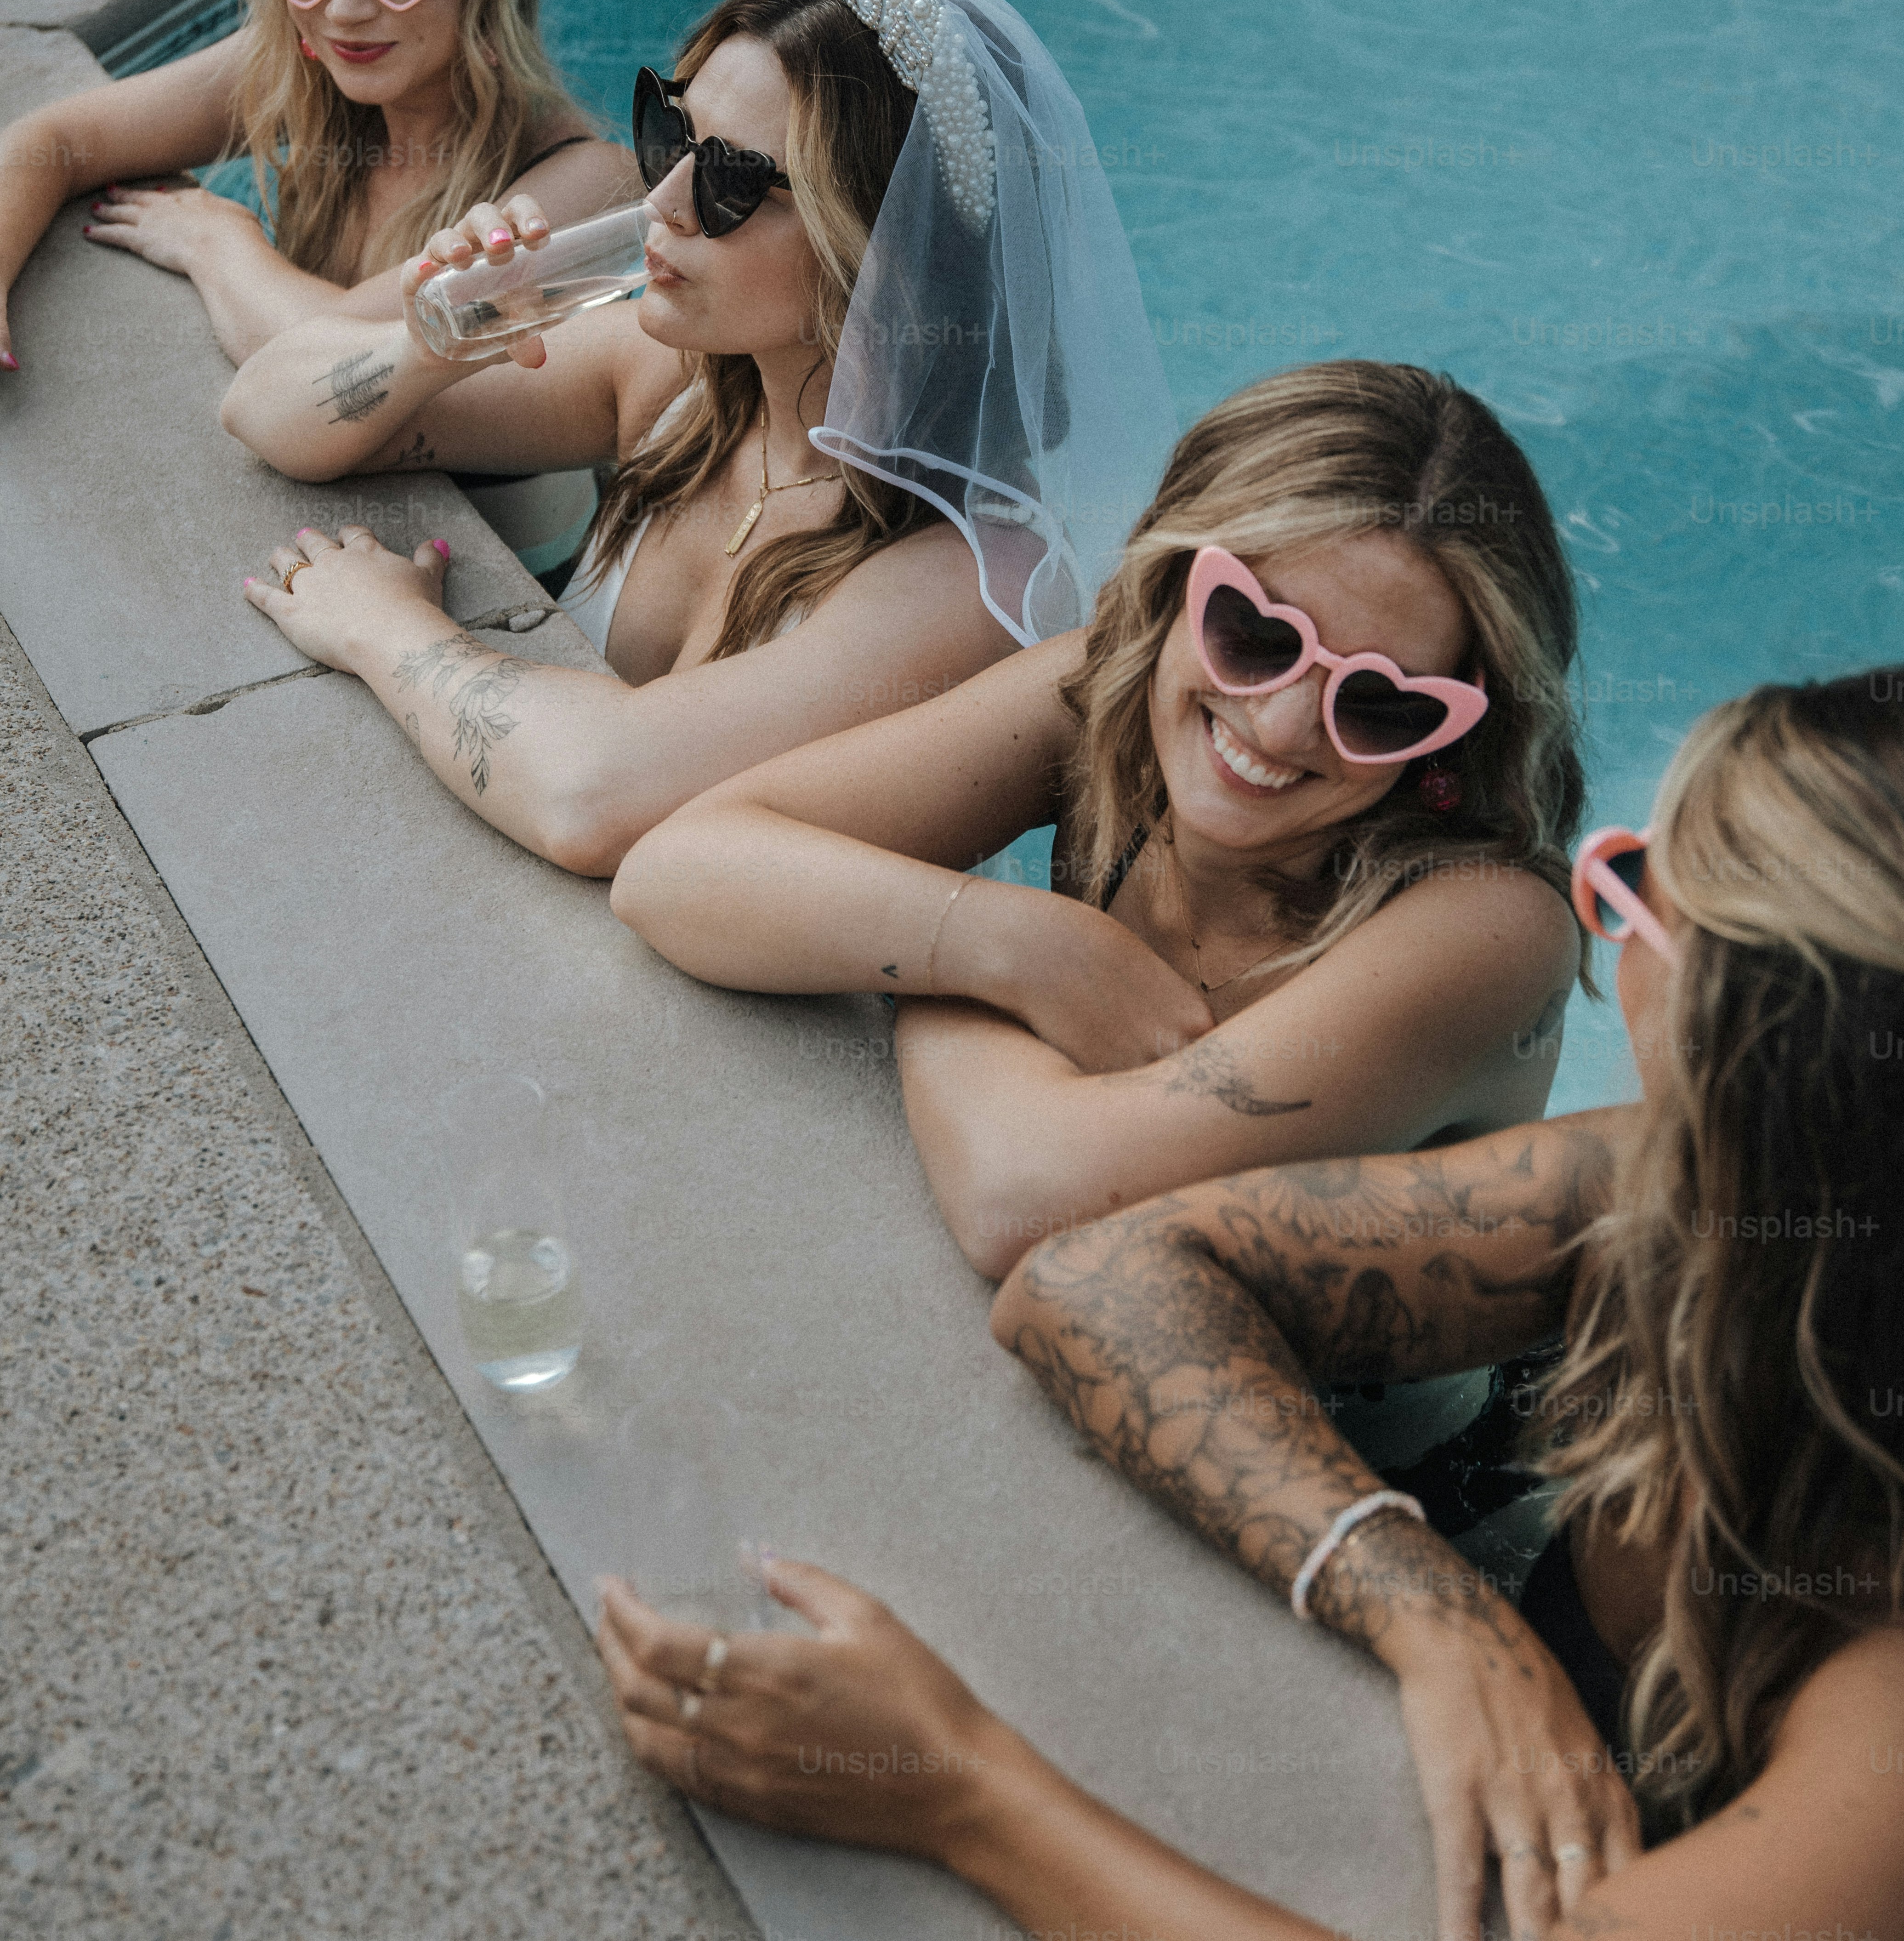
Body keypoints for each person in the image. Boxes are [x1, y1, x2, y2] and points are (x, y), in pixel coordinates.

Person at [595, 667, 1904, 1941]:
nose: (1604, 918)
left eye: (1637, 885)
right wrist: (1429, 1610)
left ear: (1765, 1033)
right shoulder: (1672, 1197)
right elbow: (1097, 1280)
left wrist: (959, 1789)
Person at [616, 362, 1587, 1321]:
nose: (1283, 723)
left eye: (1381, 703)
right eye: (1255, 633)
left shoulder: (1490, 929)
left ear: (1454, 732)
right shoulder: (1109, 702)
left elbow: (1022, 1197)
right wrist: (1019, 945)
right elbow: (674, 867)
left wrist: (932, 956)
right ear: (1171, 580)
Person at [220, 0, 1176, 874]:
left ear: (882, 254)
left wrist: (383, 624)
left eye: (730, 182)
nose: (663, 200)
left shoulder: (971, 580)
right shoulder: (688, 394)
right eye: (669, 134)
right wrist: (440, 335)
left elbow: (591, 797)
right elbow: (264, 407)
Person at [0, 0, 621, 376]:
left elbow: (341, 367)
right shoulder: (306, 68)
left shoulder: (586, 185)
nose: (342, 9)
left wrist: (217, 241)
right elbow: (59, 141)